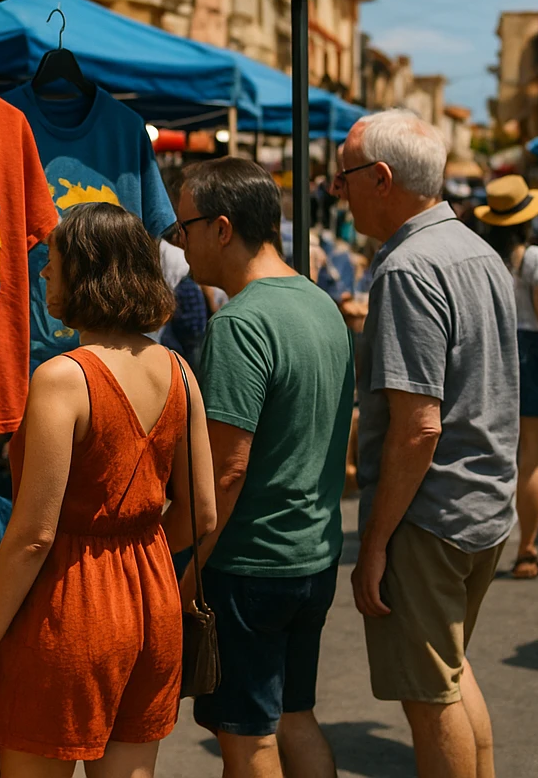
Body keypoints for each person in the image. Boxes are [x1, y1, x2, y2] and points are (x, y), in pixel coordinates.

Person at [0, 202, 215, 778]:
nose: (44, 273)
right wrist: (137, 558)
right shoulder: (180, 371)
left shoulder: (61, 379)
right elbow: (203, 511)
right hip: (152, 602)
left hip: (68, 606)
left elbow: (33, 537)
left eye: (54, 262)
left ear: (88, 272)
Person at [334, 110, 517, 778]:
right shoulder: (477, 251)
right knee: (449, 670)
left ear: (380, 179)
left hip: (430, 517)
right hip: (481, 506)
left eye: (344, 177)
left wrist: (375, 543)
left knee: (429, 694)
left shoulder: (407, 268)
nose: (337, 189)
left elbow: (418, 426)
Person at [174, 158, 355, 778]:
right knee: (294, 718)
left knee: (246, 739)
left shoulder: (239, 323)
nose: (181, 243)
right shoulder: (322, 304)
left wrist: (189, 569)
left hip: (248, 564)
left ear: (221, 228)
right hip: (312, 554)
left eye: (184, 228)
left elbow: (225, 471)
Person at [475, 175, 538, 579]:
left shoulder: (481, 256)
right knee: (530, 460)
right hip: (531, 355)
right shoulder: (534, 260)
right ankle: (526, 551)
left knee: (494, 455)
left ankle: (480, 549)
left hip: (491, 353)